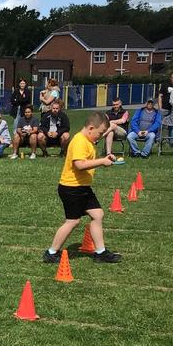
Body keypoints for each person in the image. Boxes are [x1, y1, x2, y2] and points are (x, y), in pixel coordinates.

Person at [43, 112, 121, 264]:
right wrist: (101, 162)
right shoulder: (80, 141)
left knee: (97, 214)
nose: (100, 137)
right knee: (72, 221)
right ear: (91, 128)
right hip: (72, 188)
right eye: (99, 133)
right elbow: (79, 165)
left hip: (82, 187)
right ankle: (51, 252)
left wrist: (106, 158)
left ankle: (100, 252)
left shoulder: (87, 140)